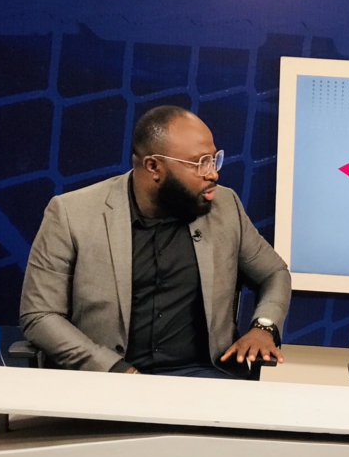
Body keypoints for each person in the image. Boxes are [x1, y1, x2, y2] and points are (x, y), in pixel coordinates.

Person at [19, 105, 290, 378]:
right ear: (154, 167)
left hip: (202, 375)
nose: (213, 174)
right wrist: (112, 368)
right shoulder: (72, 214)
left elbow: (274, 273)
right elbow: (40, 315)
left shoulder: (225, 206)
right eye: (199, 163)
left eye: (214, 159)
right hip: (105, 376)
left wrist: (264, 327)